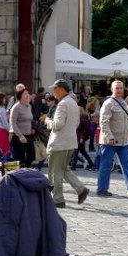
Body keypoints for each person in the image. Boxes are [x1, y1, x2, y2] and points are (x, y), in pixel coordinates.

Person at [45, 79, 89, 209]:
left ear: (62, 89)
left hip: (59, 143)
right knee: (64, 169)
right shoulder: (73, 103)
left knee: (56, 171)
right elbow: (76, 124)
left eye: (55, 89)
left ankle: (58, 199)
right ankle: (80, 189)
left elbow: (58, 125)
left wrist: (48, 121)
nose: (54, 92)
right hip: (70, 142)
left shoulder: (63, 104)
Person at [97, 80, 128, 198]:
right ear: (112, 89)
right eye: (117, 88)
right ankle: (102, 189)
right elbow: (103, 122)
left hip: (123, 141)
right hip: (110, 141)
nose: (119, 90)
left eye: (121, 88)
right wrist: (109, 136)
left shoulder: (123, 102)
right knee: (106, 165)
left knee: (127, 164)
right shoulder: (108, 103)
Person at [9, 88, 35, 169]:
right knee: (21, 159)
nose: (28, 95)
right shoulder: (16, 107)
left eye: (28, 93)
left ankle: (25, 171)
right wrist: (20, 136)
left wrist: (31, 128)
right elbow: (13, 123)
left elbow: (29, 120)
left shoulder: (29, 106)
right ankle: (21, 176)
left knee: (31, 156)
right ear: (20, 96)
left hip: (28, 135)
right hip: (18, 137)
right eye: (25, 94)